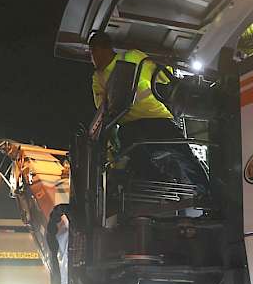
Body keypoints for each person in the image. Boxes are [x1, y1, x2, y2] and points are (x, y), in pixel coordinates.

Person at [88, 31, 209, 199]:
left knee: (183, 154)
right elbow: (102, 107)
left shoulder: (132, 57)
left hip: (157, 118)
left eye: (92, 54)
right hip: (130, 125)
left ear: (100, 50)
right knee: (133, 154)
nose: (92, 60)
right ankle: (162, 182)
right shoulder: (98, 77)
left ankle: (206, 191)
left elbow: (163, 76)